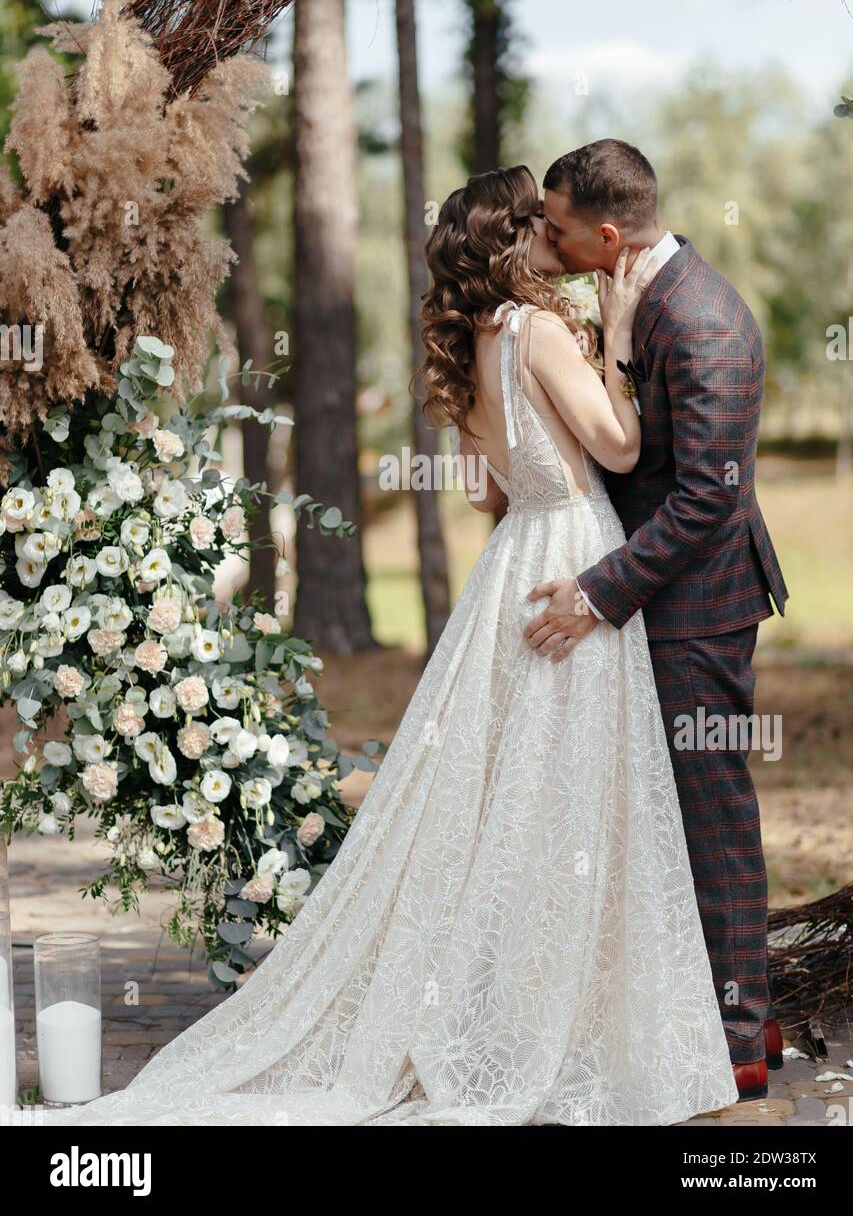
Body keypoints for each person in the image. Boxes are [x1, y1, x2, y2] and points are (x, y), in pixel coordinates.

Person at [43, 164, 739, 1127]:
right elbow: (620, 451)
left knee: (513, 791)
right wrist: (616, 346)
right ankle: (571, 1016)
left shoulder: (470, 342)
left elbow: (480, 493)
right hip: (576, 550)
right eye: (536, 220)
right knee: (577, 789)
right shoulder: (538, 329)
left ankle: (531, 1009)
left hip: (513, 560)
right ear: (514, 242)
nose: (552, 231)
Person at [525, 139, 789, 1098]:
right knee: (658, 818)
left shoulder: (705, 318)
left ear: (604, 233)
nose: (543, 238)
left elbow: (707, 503)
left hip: (699, 607)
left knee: (711, 818)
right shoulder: (640, 302)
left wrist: (598, 593)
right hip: (656, 600)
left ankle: (739, 1045)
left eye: (554, 225)